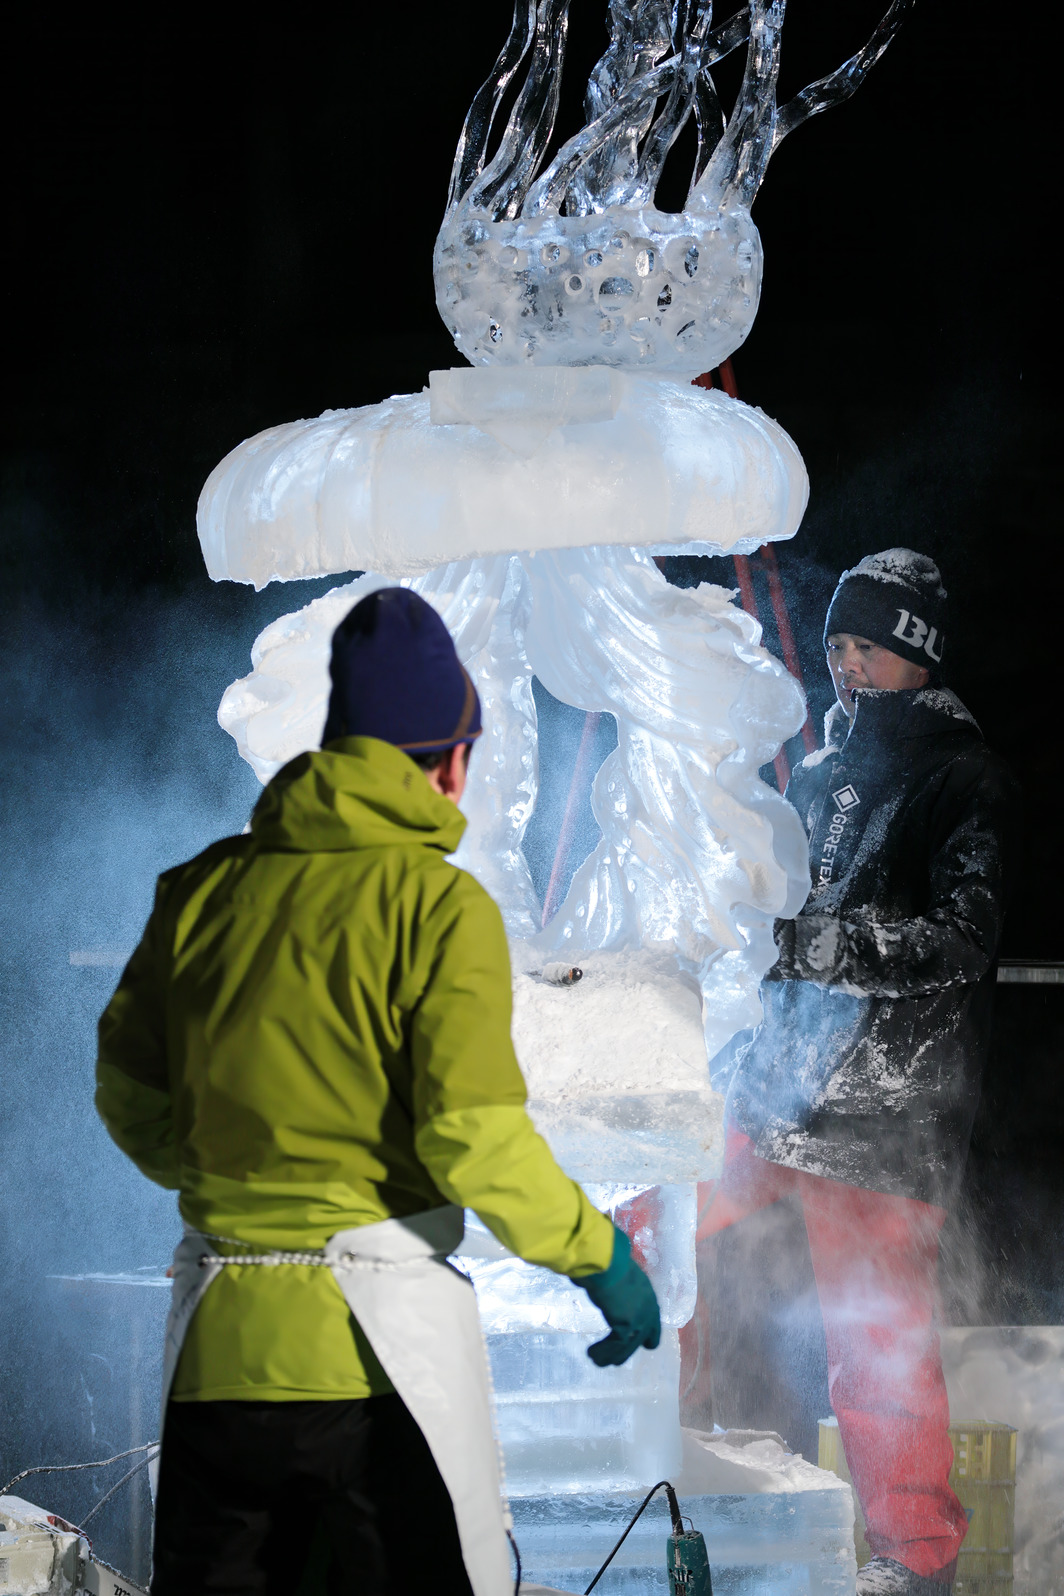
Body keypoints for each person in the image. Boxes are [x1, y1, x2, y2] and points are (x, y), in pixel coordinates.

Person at [95, 587, 660, 1596]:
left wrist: (240, 1180)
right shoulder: (437, 907)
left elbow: (129, 1094)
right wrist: (601, 1257)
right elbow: (472, 1140)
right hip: (378, 1360)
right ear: (450, 760)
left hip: (219, 1350)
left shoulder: (201, 890)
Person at [685, 550, 1015, 1596]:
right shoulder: (818, 774)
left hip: (886, 1108)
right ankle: (655, 1463)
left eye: (867, 646)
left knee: (878, 1347)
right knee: (656, 1223)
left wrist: (839, 947)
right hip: (778, 1084)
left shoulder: (963, 778)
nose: (846, 665)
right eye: (836, 645)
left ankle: (914, 1563)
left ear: (917, 655)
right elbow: (774, 921)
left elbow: (965, 936)